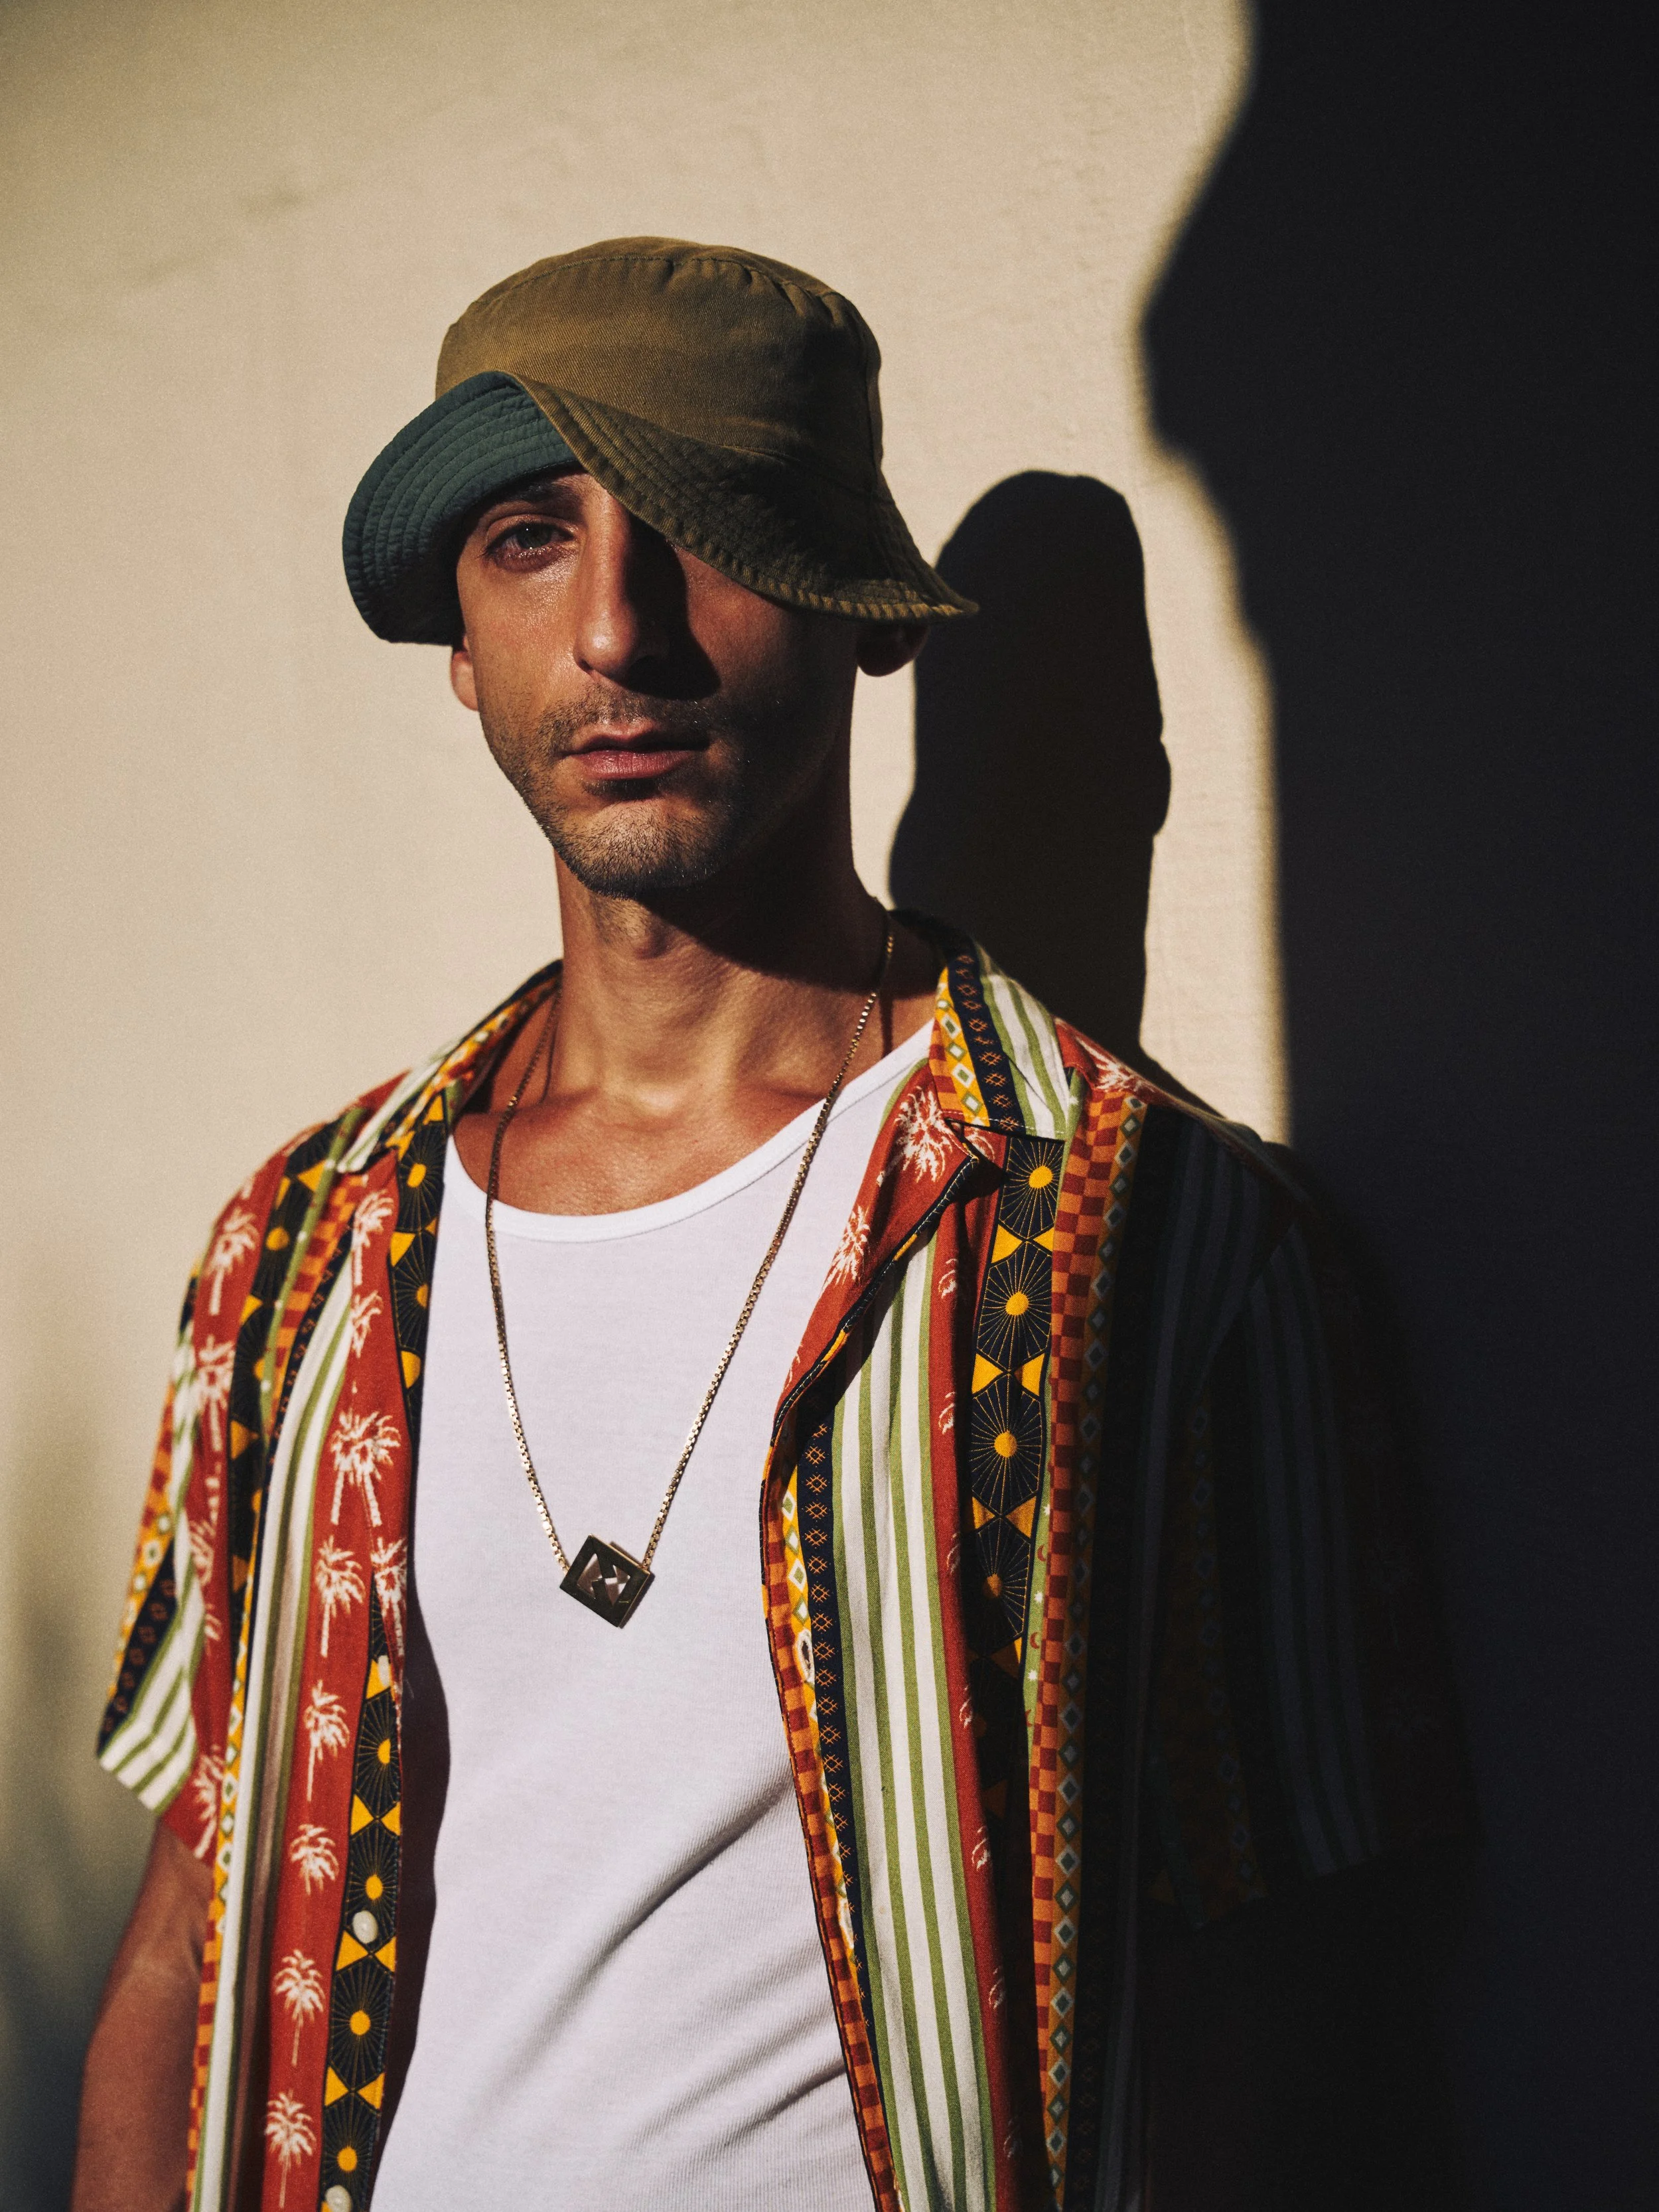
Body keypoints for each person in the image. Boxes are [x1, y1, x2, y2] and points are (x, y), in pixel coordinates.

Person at [72, 238, 1468, 2212]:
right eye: (530, 541)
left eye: (705, 531)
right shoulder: (301, 1248)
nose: (616, 631)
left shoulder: (1149, 1241)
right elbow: (184, 1932)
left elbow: (1288, 2008)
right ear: (462, 642)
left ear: (852, 608)